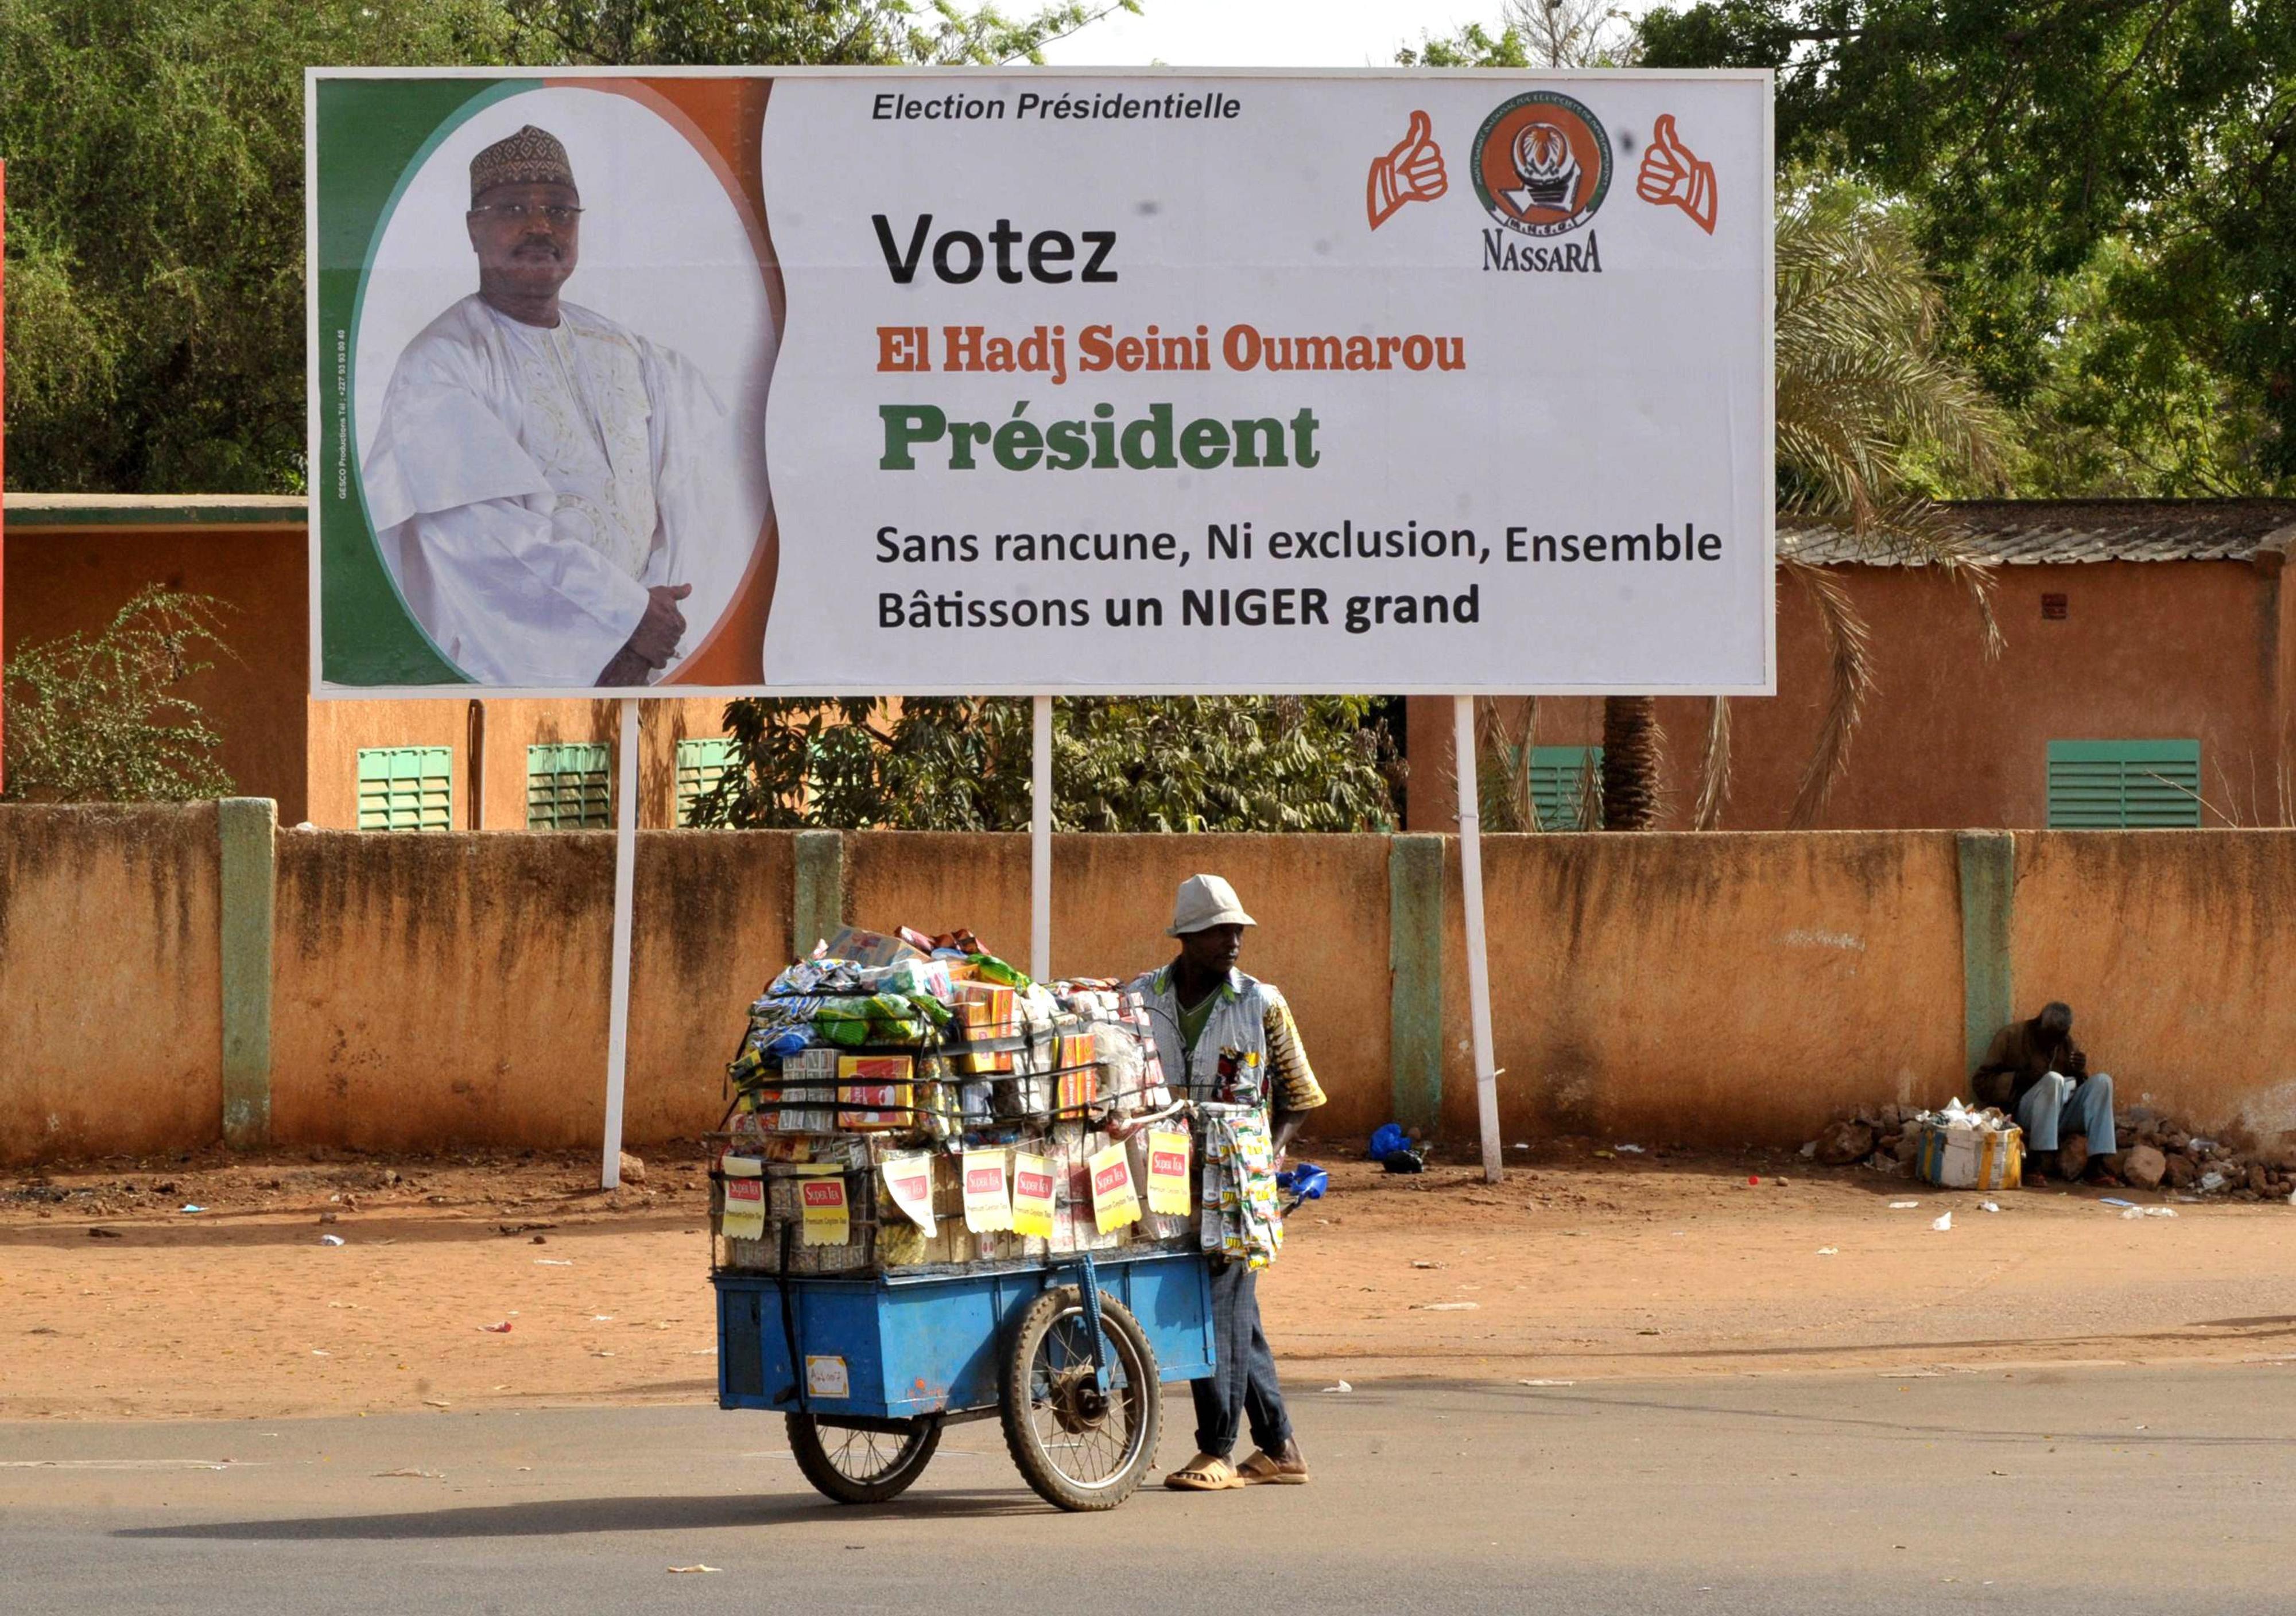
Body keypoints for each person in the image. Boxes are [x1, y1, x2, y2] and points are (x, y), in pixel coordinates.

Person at [361, 125, 732, 687]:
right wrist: (624, 618)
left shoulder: (625, 350)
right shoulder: (441, 364)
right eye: (513, 208)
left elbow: (698, 485)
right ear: (474, 229)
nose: (540, 226)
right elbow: (476, 535)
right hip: (512, 672)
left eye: (559, 211)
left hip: (654, 657)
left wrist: (658, 621)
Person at [1130, 874, 1325, 1491]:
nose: (1234, 939)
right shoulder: (1141, 997)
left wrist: (1267, 1154)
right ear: (1187, 936)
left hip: (1237, 1180)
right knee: (1237, 1312)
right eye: (1220, 929)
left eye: (1238, 929)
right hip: (1161, 1177)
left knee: (1213, 1308)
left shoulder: (1261, 1002)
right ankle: (1279, 1447)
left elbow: (1301, 1095)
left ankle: (1216, 1448)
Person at [1972, 1001, 2117, 1183]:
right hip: (2024, 1112)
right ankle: (2037, 1163)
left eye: (2059, 1038)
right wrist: (2020, 1078)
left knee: (2103, 1082)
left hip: (2061, 1114)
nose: (2053, 1044)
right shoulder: (2011, 1036)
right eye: (2050, 1038)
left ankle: (2096, 1164)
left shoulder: (2064, 1043)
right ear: (2039, 1024)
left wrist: (2078, 1072)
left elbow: (2076, 1086)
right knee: (2053, 1079)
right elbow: (1981, 1083)